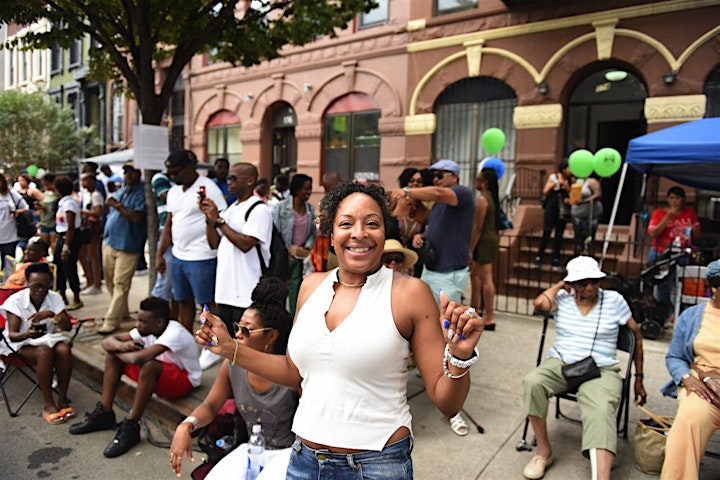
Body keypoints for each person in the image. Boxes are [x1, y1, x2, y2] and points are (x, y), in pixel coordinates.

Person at [196, 182, 483, 478]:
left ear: (385, 233)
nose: (359, 232)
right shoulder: (310, 287)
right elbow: (296, 373)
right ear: (331, 235)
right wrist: (231, 349)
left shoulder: (409, 293)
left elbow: (447, 402)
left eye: (372, 223)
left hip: (376, 464)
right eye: (346, 223)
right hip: (304, 461)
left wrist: (459, 356)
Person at [523, 256, 647, 480]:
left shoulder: (614, 300)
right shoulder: (562, 298)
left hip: (601, 368)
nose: (589, 286)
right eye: (582, 282)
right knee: (533, 382)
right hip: (561, 362)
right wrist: (563, 284)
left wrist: (639, 377)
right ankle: (543, 452)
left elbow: (636, 337)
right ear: (572, 284)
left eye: (594, 281)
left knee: (600, 409)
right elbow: (539, 304)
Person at [169, 278, 299, 478]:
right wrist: (187, 425)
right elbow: (211, 406)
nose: (237, 335)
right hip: (252, 448)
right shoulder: (233, 365)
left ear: (272, 336)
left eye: (246, 330)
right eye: (237, 327)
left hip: (289, 454)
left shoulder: (290, 372)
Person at [68, 296, 201, 458]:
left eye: (143, 322)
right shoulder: (148, 328)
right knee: (113, 359)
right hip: (159, 375)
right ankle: (104, 412)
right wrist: (121, 346)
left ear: (159, 322)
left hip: (184, 381)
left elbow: (137, 359)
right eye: (138, 320)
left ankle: (131, 425)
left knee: (148, 365)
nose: (138, 325)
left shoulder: (175, 333)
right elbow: (108, 342)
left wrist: (117, 350)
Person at [659, 259, 720, 479]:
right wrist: (687, 377)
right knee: (690, 419)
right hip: (702, 386)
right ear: (714, 287)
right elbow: (674, 356)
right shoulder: (692, 316)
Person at [156, 150, 227, 332]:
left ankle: (213, 341)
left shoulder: (208, 188)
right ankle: (185, 339)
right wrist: (159, 254)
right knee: (182, 301)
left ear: (189, 167)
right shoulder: (173, 191)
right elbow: (169, 224)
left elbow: (220, 219)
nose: (173, 176)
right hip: (178, 255)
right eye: (170, 173)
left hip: (202, 257)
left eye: (176, 172)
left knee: (207, 303)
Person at [200, 162, 273, 335]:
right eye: (228, 178)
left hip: (248, 290)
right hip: (226, 290)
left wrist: (218, 221)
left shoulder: (259, 209)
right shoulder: (230, 210)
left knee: (246, 342)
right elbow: (213, 244)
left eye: (233, 178)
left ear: (249, 181)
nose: (229, 182)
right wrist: (209, 219)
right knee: (230, 341)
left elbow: (246, 244)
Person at [1, 262, 74, 424]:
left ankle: (62, 397)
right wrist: (28, 333)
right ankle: (48, 403)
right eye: (36, 286)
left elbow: (67, 327)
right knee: (44, 352)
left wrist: (53, 315)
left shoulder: (54, 297)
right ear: (27, 283)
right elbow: (13, 336)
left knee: (64, 350)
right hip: (21, 343)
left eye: (45, 286)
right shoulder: (16, 301)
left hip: (46, 339)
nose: (40, 291)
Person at [99, 162, 147, 334]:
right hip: (110, 242)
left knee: (120, 284)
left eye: (131, 172)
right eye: (126, 173)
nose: (128, 176)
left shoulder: (142, 193)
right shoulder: (121, 190)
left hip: (128, 246)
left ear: (138, 174)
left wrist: (117, 206)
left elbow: (136, 218)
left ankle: (111, 321)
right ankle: (123, 313)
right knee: (111, 282)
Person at [647, 186, 701, 310]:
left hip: (681, 252)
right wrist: (668, 216)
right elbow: (653, 233)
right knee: (661, 282)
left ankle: (676, 310)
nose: (674, 201)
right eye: (671, 198)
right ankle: (661, 308)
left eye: (677, 198)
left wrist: (692, 229)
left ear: (683, 199)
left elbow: (698, 236)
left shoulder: (690, 213)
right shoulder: (659, 213)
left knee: (677, 283)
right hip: (661, 252)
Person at [273, 173, 316, 316]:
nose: (309, 192)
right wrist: (286, 251)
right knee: (279, 291)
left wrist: (307, 247)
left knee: (296, 292)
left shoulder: (310, 209)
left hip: (300, 257)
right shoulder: (281, 207)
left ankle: (293, 321)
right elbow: (275, 232)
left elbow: (312, 232)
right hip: (283, 256)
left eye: (310, 189)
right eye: (306, 189)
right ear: (297, 189)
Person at [469, 167, 501, 331]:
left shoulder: (482, 199)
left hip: (484, 241)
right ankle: (476, 309)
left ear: (485, 182)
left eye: (479, 178)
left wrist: (471, 249)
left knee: (486, 278)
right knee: (476, 275)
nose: (476, 181)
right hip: (490, 238)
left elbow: (478, 227)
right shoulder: (492, 198)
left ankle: (489, 316)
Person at [392, 168, 429, 278]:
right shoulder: (395, 200)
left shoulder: (425, 211)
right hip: (388, 259)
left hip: (411, 263)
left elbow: (431, 232)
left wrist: (420, 235)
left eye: (419, 181)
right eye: (411, 180)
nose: (415, 184)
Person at [53, 175, 83, 310]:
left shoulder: (69, 203)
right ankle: (62, 295)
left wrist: (66, 246)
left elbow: (70, 226)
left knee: (69, 267)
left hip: (69, 237)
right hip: (61, 236)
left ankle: (76, 297)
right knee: (59, 267)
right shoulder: (62, 203)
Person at [536, 160, 571, 268]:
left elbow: (572, 196)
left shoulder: (570, 180)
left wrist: (566, 186)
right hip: (552, 207)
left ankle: (555, 259)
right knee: (547, 231)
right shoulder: (553, 177)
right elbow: (545, 191)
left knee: (559, 234)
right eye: (569, 168)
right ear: (564, 168)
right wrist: (555, 184)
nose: (571, 171)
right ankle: (539, 256)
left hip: (563, 210)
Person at [310, 171, 343, 273]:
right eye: (326, 190)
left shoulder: (347, 201)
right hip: (328, 249)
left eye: (330, 189)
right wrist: (317, 221)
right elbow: (319, 220)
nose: (328, 193)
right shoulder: (326, 203)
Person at [150, 170, 175, 306]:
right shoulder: (160, 178)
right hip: (168, 238)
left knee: (176, 289)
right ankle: (156, 316)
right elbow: (167, 197)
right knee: (164, 283)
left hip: (181, 241)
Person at [78, 172, 104, 295]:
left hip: (93, 228)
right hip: (87, 227)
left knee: (93, 255)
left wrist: (83, 212)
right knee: (86, 254)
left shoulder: (96, 195)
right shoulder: (86, 195)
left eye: (86, 181)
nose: (84, 184)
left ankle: (96, 283)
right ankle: (90, 281)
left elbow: (98, 212)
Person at [570, 176, 602, 255]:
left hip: (590, 215)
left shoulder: (591, 181)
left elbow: (598, 195)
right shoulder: (576, 181)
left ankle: (588, 258)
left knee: (588, 238)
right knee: (578, 238)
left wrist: (584, 201)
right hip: (577, 214)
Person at [0, 172, 29, 261]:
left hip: (10, 235)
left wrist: (16, 212)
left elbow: (25, 207)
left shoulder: (12, 195)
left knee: (9, 262)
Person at [13, 173, 43, 248]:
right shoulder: (16, 192)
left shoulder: (32, 191)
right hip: (21, 216)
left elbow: (43, 200)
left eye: (22, 180)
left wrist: (39, 210)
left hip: (32, 214)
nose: (20, 182)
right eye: (19, 180)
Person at [38, 174, 58, 253]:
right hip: (44, 223)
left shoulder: (58, 194)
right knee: (43, 246)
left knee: (54, 246)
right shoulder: (45, 194)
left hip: (54, 223)